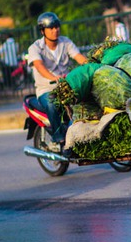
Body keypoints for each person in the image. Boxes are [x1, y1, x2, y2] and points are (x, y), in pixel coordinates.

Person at [27, 12, 88, 148]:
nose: (55, 30)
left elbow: (78, 57)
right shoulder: (35, 48)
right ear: (43, 31)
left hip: (67, 87)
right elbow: (39, 66)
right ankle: (59, 138)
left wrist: (91, 65)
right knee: (51, 103)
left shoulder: (65, 42)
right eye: (51, 28)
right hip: (46, 89)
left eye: (57, 27)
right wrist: (53, 77)